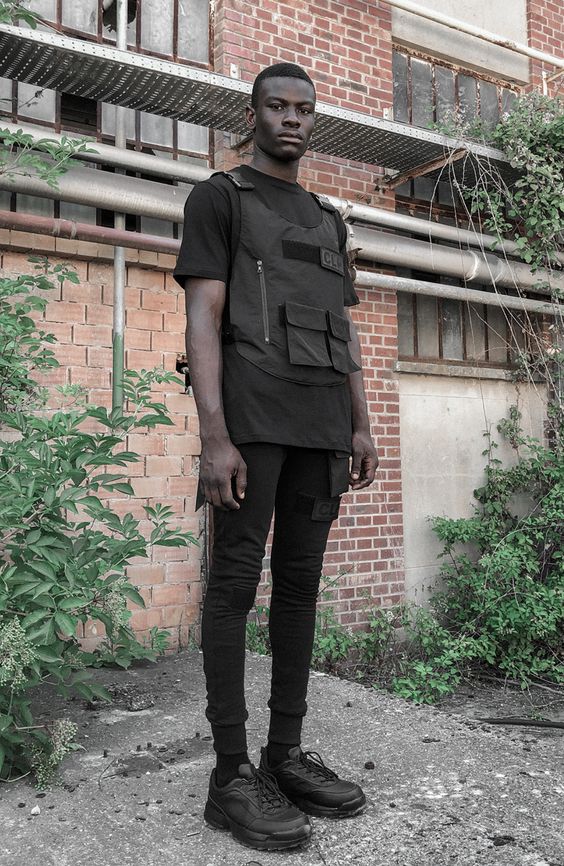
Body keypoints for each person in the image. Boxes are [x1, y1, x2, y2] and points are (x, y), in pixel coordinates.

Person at [174, 62, 378, 851]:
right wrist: (214, 437)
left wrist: (361, 425)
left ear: (312, 119)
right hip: (252, 424)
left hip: (321, 427)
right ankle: (230, 777)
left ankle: (283, 756)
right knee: (233, 588)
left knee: (299, 590)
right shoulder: (219, 199)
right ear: (254, 113)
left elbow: (345, 331)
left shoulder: (328, 220)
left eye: (303, 109)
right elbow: (204, 316)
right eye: (277, 106)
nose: (292, 119)